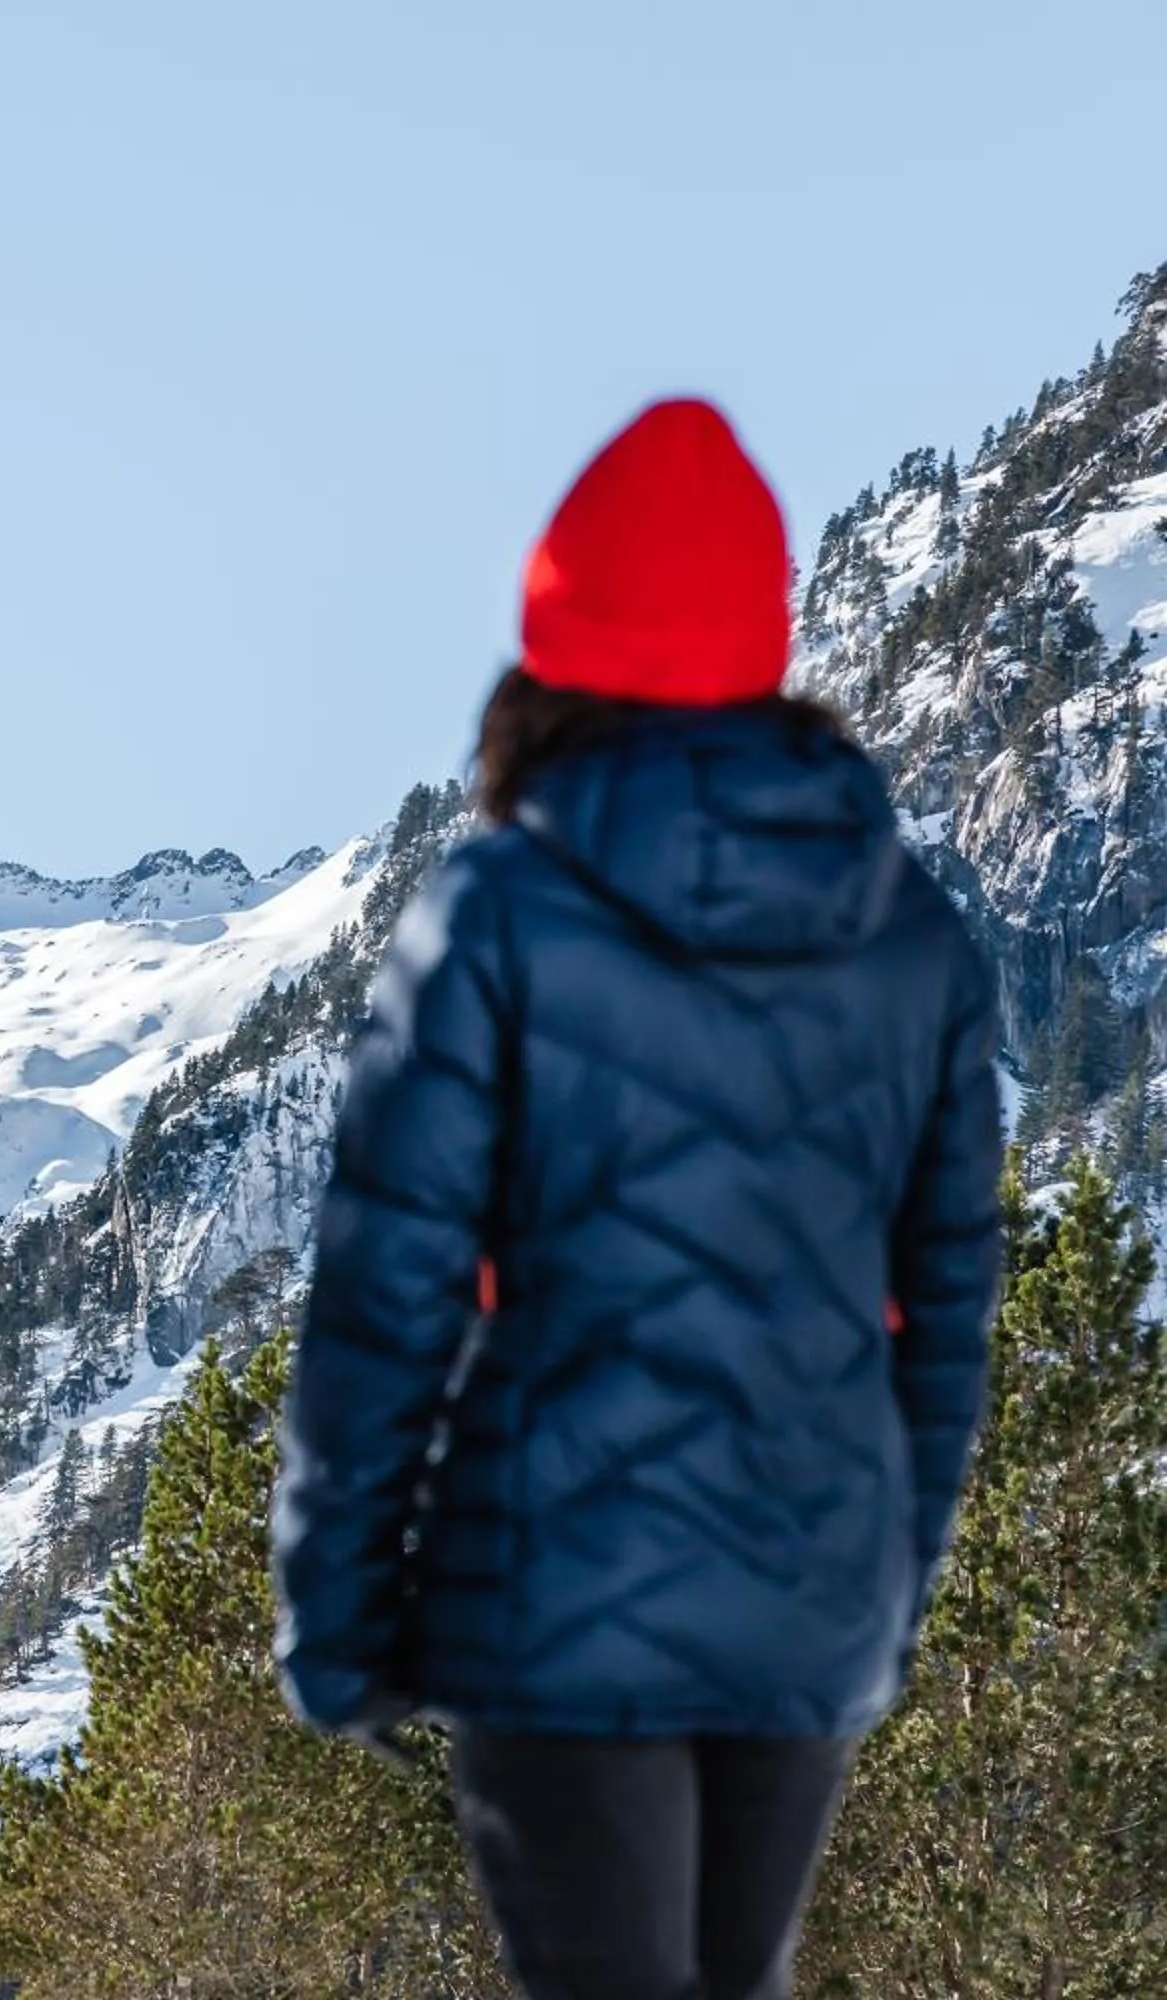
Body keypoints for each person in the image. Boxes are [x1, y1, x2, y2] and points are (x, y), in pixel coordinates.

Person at [269, 398, 1006, 2000]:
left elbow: (384, 1291)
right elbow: (946, 1317)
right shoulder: (909, 936)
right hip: (805, 1615)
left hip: (555, 1598)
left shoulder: (500, 910)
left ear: (554, 647)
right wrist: (885, 1578)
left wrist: (340, 1627)